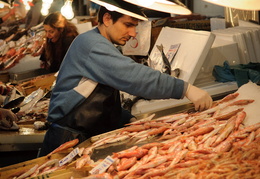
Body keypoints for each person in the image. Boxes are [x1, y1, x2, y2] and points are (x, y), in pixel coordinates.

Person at [39, 5, 213, 156]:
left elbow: (98, 96)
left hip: (83, 136)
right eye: (128, 25)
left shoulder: (100, 43)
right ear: (107, 19)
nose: (133, 33)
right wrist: (186, 89)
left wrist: (127, 118)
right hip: (68, 140)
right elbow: (135, 77)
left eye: (135, 26)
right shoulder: (93, 45)